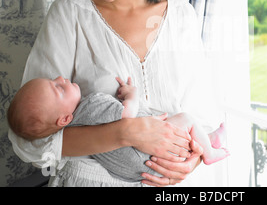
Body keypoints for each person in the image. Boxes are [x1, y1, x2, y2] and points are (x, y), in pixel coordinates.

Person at [8, 0, 221, 187]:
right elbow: (30, 140)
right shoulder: (69, 15)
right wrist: (124, 133)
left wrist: (190, 163)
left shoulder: (182, 16)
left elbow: (203, 117)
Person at [8, 76, 229, 182]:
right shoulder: (91, 104)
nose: (60, 77)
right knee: (186, 118)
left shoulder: (76, 127)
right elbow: (127, 116)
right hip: (151, 158)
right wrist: (131, 95)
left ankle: (203, 145)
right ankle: (209, 151)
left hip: (140, 173)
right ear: (65, 118)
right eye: (57, 87)